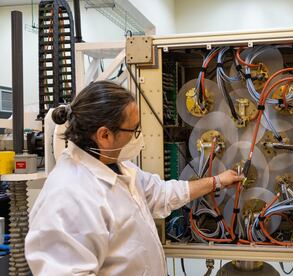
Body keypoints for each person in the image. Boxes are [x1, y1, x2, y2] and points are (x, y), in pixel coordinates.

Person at [25, 81, 244, 275]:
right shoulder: (69, 197)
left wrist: (216, 181)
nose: (137, 138)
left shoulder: (119, 168)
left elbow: (162, 193)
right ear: (104, 135)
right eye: (134, 130)